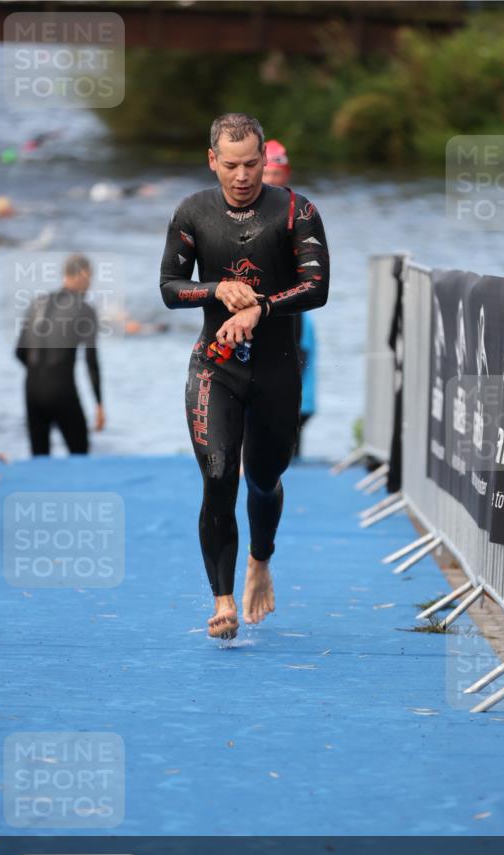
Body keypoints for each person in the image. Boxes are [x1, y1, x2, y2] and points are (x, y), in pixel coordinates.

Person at [160, 112, 329, 640]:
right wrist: (213, 290)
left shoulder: (296, 211)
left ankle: (261, 558)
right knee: (217, 478)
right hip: (216, 368)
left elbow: (317, 288)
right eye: (230, 165)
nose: (241, 176)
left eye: (251, 164)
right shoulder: (192, 212)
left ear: (264, 161)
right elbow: (169, 287)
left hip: (276, 371)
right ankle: (223, 599)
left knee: (263, 477)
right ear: (213, 161)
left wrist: (261, 307)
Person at [15, 254, 105, 455]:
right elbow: (91, 361)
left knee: (39, 458)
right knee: (79, 455)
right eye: (90, 278)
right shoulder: (85, 309)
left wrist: (41, 374)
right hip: (62, 391)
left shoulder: (37, 303)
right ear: (82, 275)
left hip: (32, 390)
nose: (90, 284)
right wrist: (99, 404)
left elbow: (19, 352)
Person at [262, 139, 318, 456]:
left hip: (290, 307)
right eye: (268, 174)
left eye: (277, 174)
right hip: (255, 307)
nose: (272, 181)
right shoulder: (243, 208)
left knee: (292, 371)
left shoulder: (300, 211)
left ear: (287, 174)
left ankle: (288, 449)